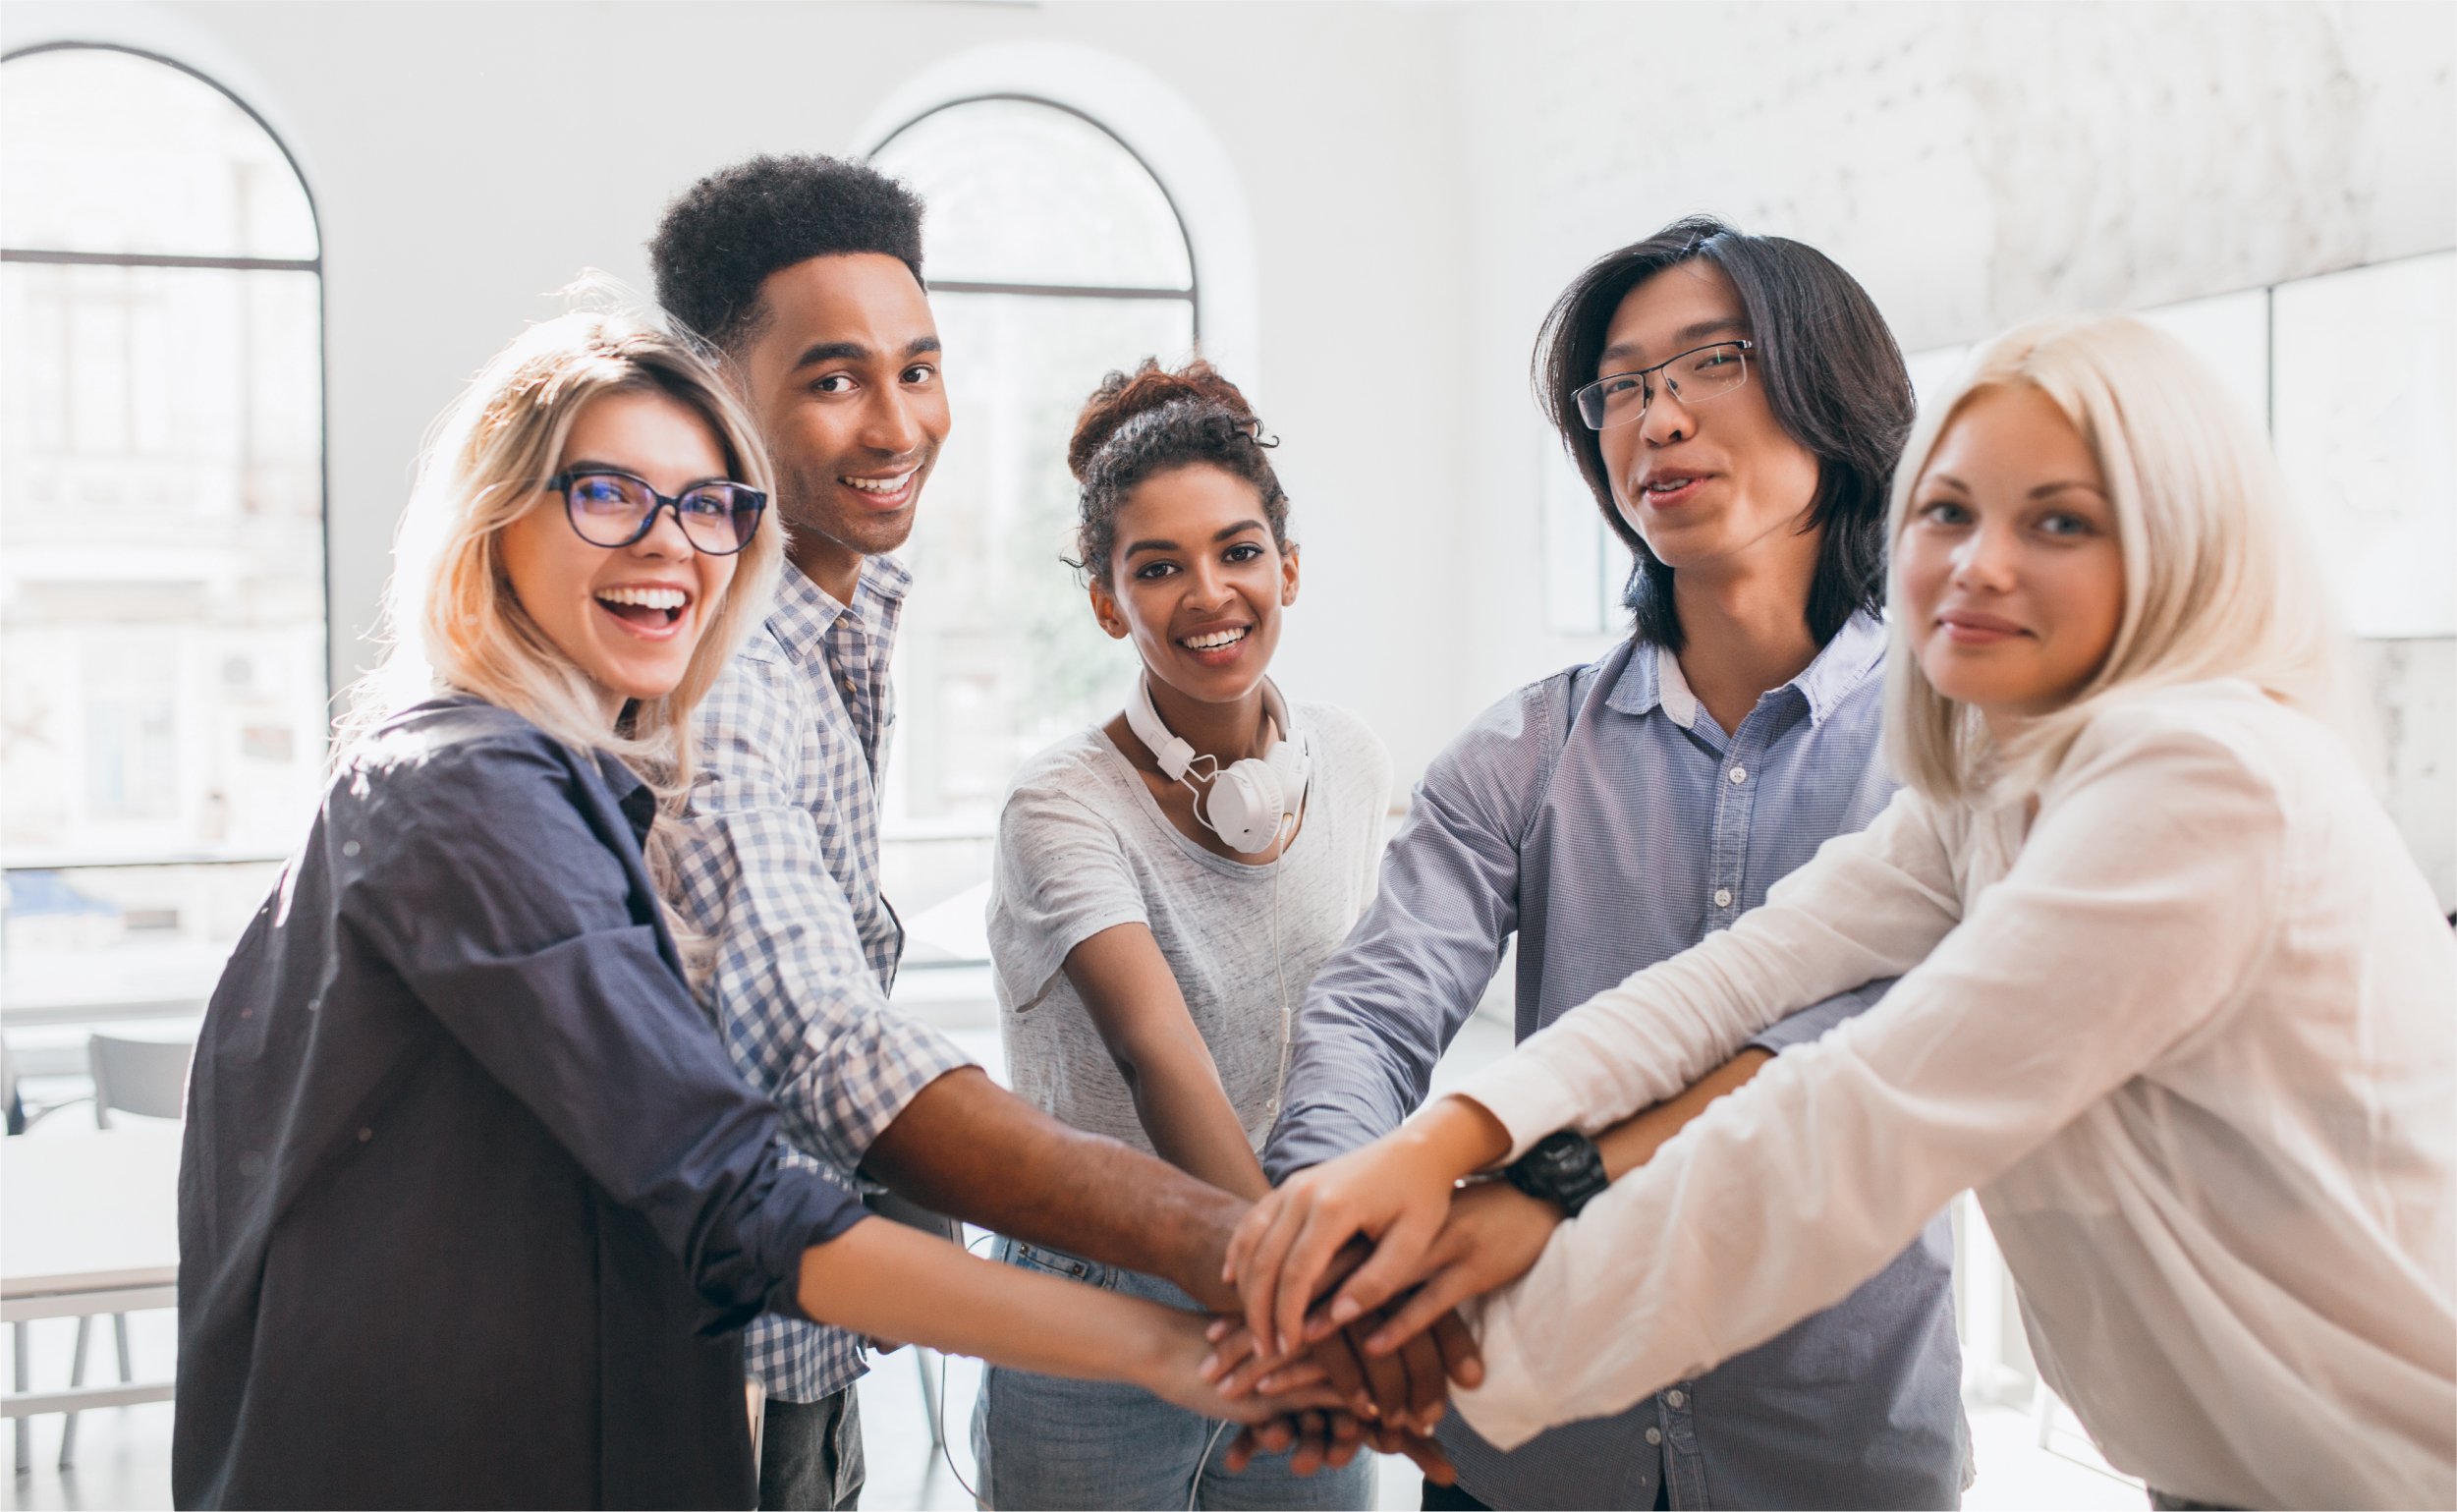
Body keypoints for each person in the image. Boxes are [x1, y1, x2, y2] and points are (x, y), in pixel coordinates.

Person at [1224, 315, 2457, 1510]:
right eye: (1950, 511)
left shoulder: (2198, 779)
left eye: (2061, 522)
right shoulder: (1991, 787)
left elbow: (1843, 1123)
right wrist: (1428, 1156)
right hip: (2237, 1468)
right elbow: (1727, 982)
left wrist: (1420, 1345)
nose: (1977, 563)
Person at [173, 309, 1339, 1509]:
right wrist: (1198, 1335)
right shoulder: (464, 791)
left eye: (709, 506)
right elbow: (742, 1193)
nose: (670, 546)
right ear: (494, 520)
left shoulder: (553, 787)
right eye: (608, 495)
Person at [647, 155, 1462, 1505]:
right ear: (716, 394)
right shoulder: (733, 682)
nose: (897, 420)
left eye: (918, 367)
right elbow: (829, 1044)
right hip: (749, 1337)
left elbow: (1360, 1029)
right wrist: (1280, 1283)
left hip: (825, 1331)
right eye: (832, 376)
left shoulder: (836, 633)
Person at [1241, 217, 1968, 1509]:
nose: (1657, 416)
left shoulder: (1953, 747)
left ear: (1835, 397)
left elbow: (1866, 1050)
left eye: (1708, 363)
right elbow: (1372, 1005)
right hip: (1528, 1433)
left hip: (1823, 1445)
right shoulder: (1527, 746)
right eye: (1621, 387)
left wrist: (1543, 1184)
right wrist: (1335, 1245)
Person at [973, 360, 1391, 1509]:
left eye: (1238, 550)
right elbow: (1159, 1056)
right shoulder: (1060, 805)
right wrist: (1294, 1311)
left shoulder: (1349, 763)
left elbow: (1350, 1029)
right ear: (1108, 602)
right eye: (1157, 568)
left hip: (1291, 1262)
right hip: (1100, 1308)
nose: (1208, 593)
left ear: (1288, 568)